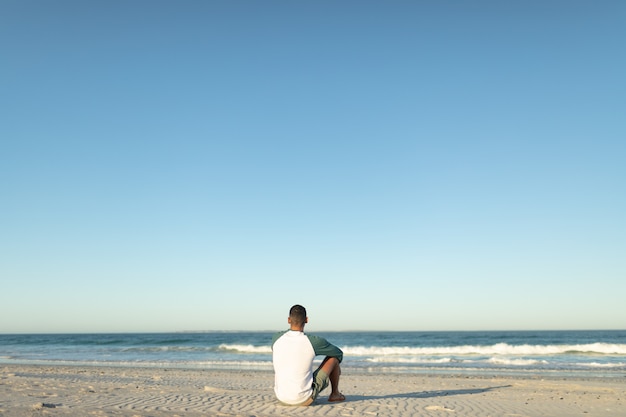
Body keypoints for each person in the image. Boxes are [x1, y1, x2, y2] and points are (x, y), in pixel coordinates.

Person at [271, 304, 345, 406]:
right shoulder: (313, 341)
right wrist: (336, 368)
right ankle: (335, 394)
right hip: (304, 399)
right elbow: (338, 353)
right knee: (333, 359)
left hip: (281, 397)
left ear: (289, 320)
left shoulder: (276, 338)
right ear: (306, 320)